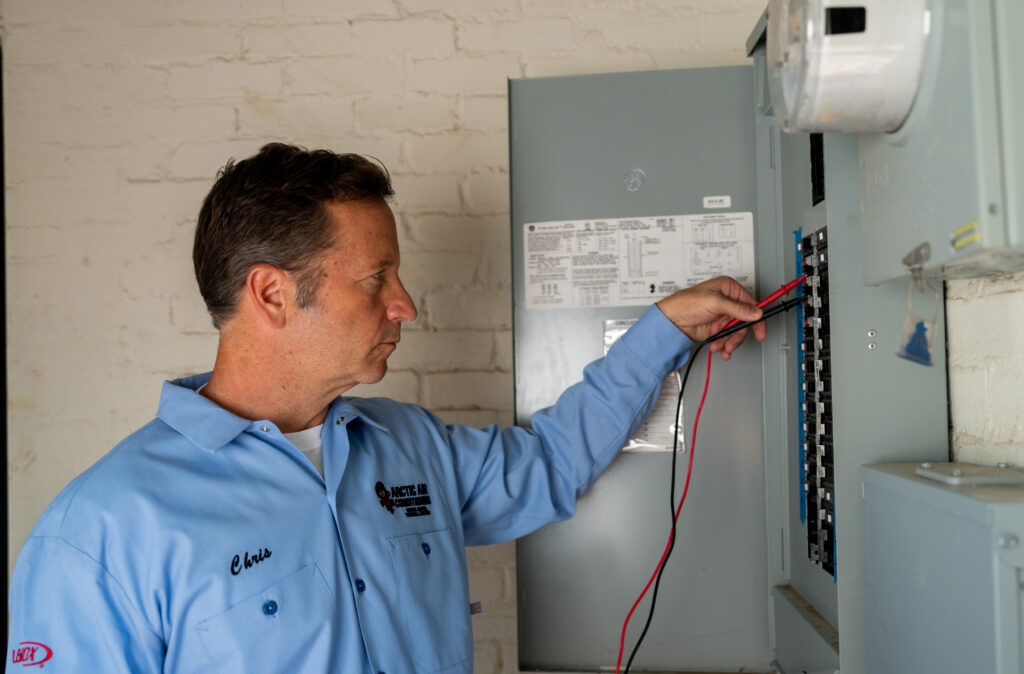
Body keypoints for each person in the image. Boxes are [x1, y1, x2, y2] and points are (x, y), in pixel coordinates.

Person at [6, 143, 765, 673]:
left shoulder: (408, 446)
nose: (405, 305)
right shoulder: (101, 532)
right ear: (272, 294)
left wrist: (663, 330)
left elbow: (551, 464)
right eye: (377, 278)